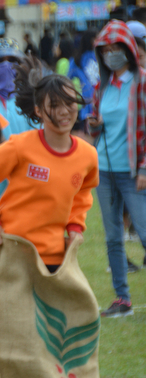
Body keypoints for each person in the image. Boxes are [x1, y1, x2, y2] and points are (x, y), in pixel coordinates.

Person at [0, 55, 98, 272]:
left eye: (69, 103)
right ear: (38, 110)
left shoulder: (87, 155)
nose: (64, 110)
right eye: (55, 105)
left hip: (55, 254)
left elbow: (82, 193)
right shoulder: (20, 146)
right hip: (11, 247)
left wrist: (75, 225)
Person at [88, 20, 146, 318]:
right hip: (105, 170)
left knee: (144, 232)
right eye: (105, 50)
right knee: (113, 237)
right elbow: (96, 125)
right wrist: (93, 125)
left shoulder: (142, 81)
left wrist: (144, 169)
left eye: (115, 48)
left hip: (134, 171)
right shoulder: (102, 86)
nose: (110, 54)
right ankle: (122, 299)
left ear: (128, 49)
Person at [67, 29, 100, 137]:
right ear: (92, 40)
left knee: (86, 135)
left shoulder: (77, 58)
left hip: (85, 102)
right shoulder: (100, 56)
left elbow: (67, 78)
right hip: (99, 99)